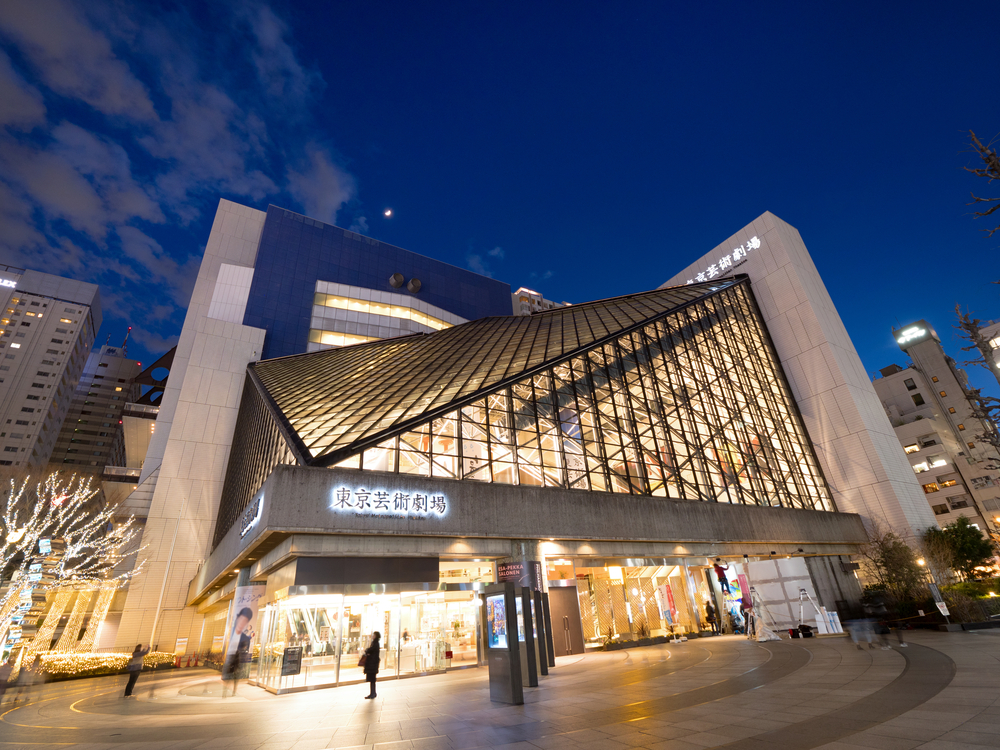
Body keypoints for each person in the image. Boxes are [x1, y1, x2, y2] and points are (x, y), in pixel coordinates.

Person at [222, 607, 253, 697]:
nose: (242, 623)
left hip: (237, 662)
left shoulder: (246, 639)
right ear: (237, 618)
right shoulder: (228, 634)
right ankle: (225, 691)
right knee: (228, 678)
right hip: (229, 661)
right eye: (241, 619)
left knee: (235, 678)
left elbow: (245, 652)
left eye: (245, 621)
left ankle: (233, 691)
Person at [363, 631, 381, 699]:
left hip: (372, 664)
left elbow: (370, 650)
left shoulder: (375, 643)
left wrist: (367, 651)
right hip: (373, 664)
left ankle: (373, 693)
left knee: (372, 679)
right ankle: (372, 693)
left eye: (374, 635)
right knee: (372, 680)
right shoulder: (375, 643)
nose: (372, 636)